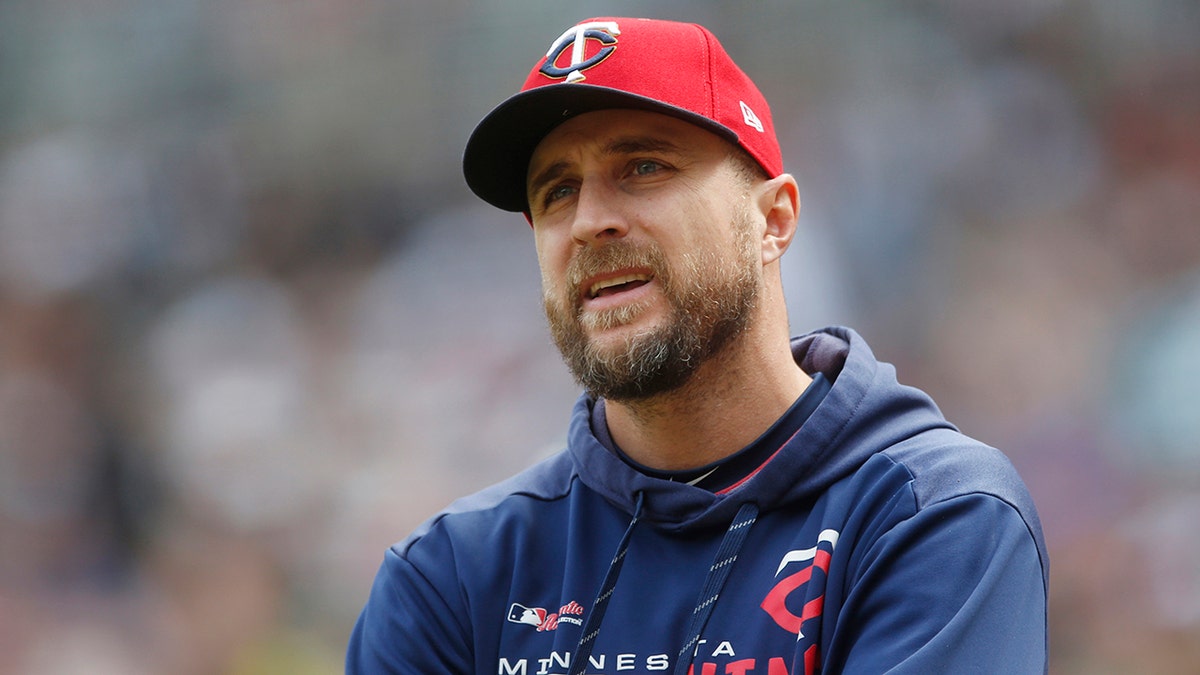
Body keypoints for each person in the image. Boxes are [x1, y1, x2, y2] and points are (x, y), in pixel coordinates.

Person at [347, 16, 1048, 675]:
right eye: (557, 191)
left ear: (773, 219)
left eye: (644, 167)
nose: (590, 220)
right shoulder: (450, 575)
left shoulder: (932, 515)